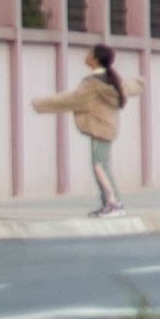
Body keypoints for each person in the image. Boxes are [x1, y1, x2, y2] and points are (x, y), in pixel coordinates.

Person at [35, 42, 129, 216]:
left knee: (99, 165)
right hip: (108, 128)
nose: (86, 55)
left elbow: (74, 100)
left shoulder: (92, 83)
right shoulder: (111, 80)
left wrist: (41, 104)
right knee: (103, 164)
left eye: (89, 53)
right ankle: (111, 203)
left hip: (100, 128)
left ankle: (113, 203)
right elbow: (129, 88)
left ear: (95, 59)